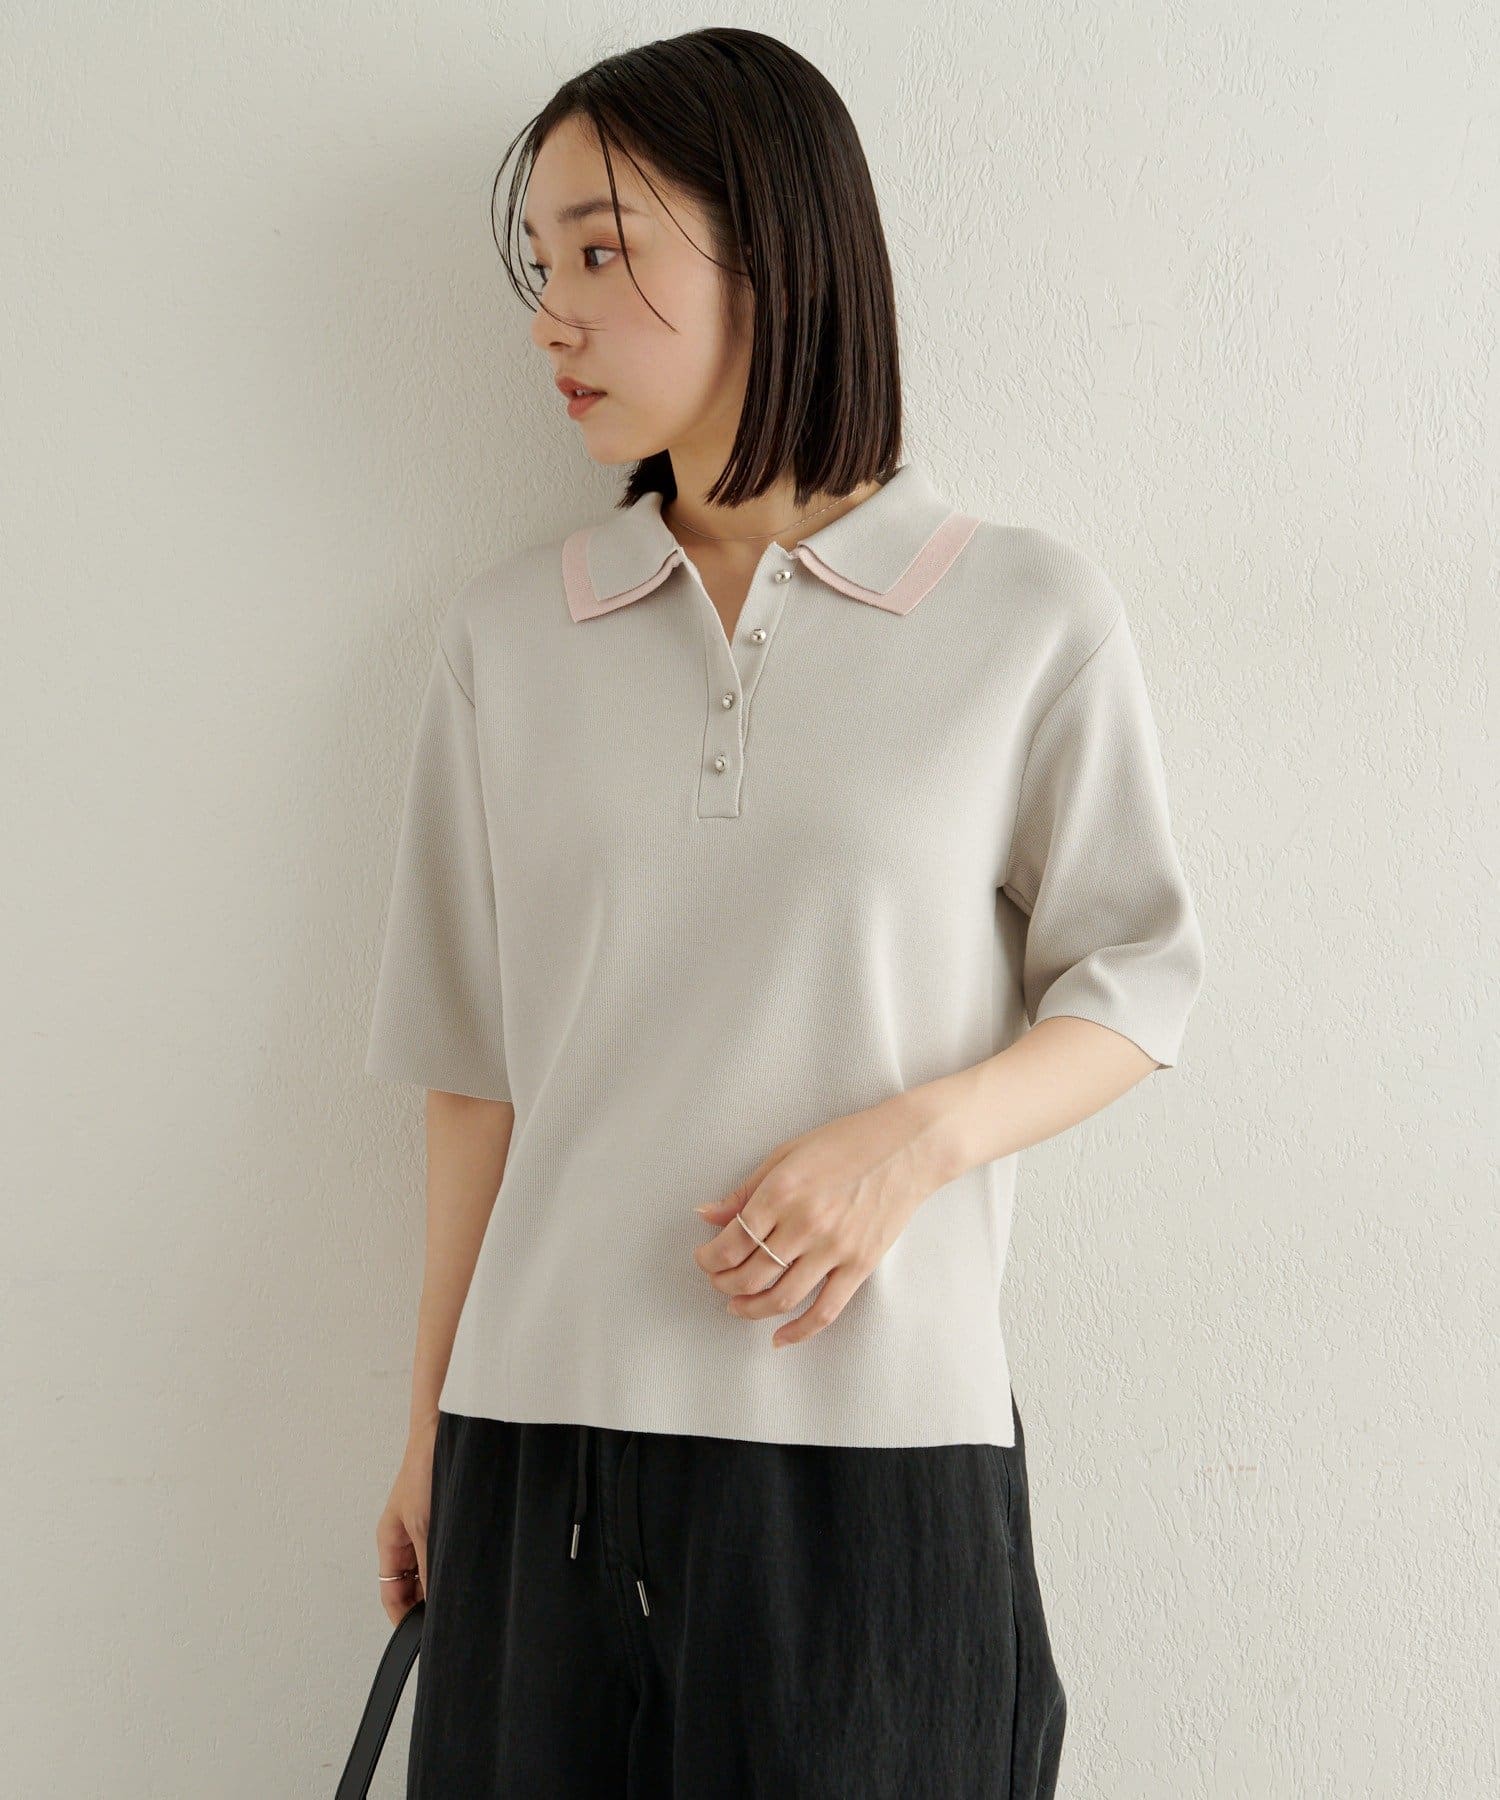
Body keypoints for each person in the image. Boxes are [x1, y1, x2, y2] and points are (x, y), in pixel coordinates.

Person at [363, 26, 1206, 1800]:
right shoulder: (507, 639)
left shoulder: (1023, 616)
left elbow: (1135, 981)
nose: (552, 318)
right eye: (543, 266)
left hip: (876, 1463)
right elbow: (471, 1074)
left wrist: (912, 1143)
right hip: (539, 1457)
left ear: (774, 250)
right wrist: (431, 1428)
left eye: (604, 251)